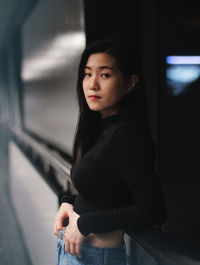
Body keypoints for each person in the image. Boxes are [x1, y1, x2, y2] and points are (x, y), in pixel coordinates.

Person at [54, 39, 166, 265]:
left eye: (105, 75)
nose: (92, 84)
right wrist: (68, 202)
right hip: (74, 252)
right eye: (87, 74)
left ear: (130, 83)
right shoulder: (102, 128)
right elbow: (108, 194)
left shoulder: (127, 136)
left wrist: (86, 224)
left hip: (95, 259)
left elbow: (153, 210)